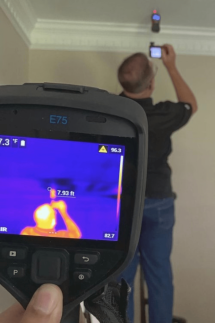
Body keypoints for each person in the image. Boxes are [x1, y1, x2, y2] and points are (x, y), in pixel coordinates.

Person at [117, 44, 198, 323]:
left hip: (122, 205)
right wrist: (171, 66)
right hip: (158, 203)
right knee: (159, 273)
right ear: (151, 84)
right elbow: (191, 105)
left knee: (122, 277)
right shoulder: (162, 114)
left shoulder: (112, 112)